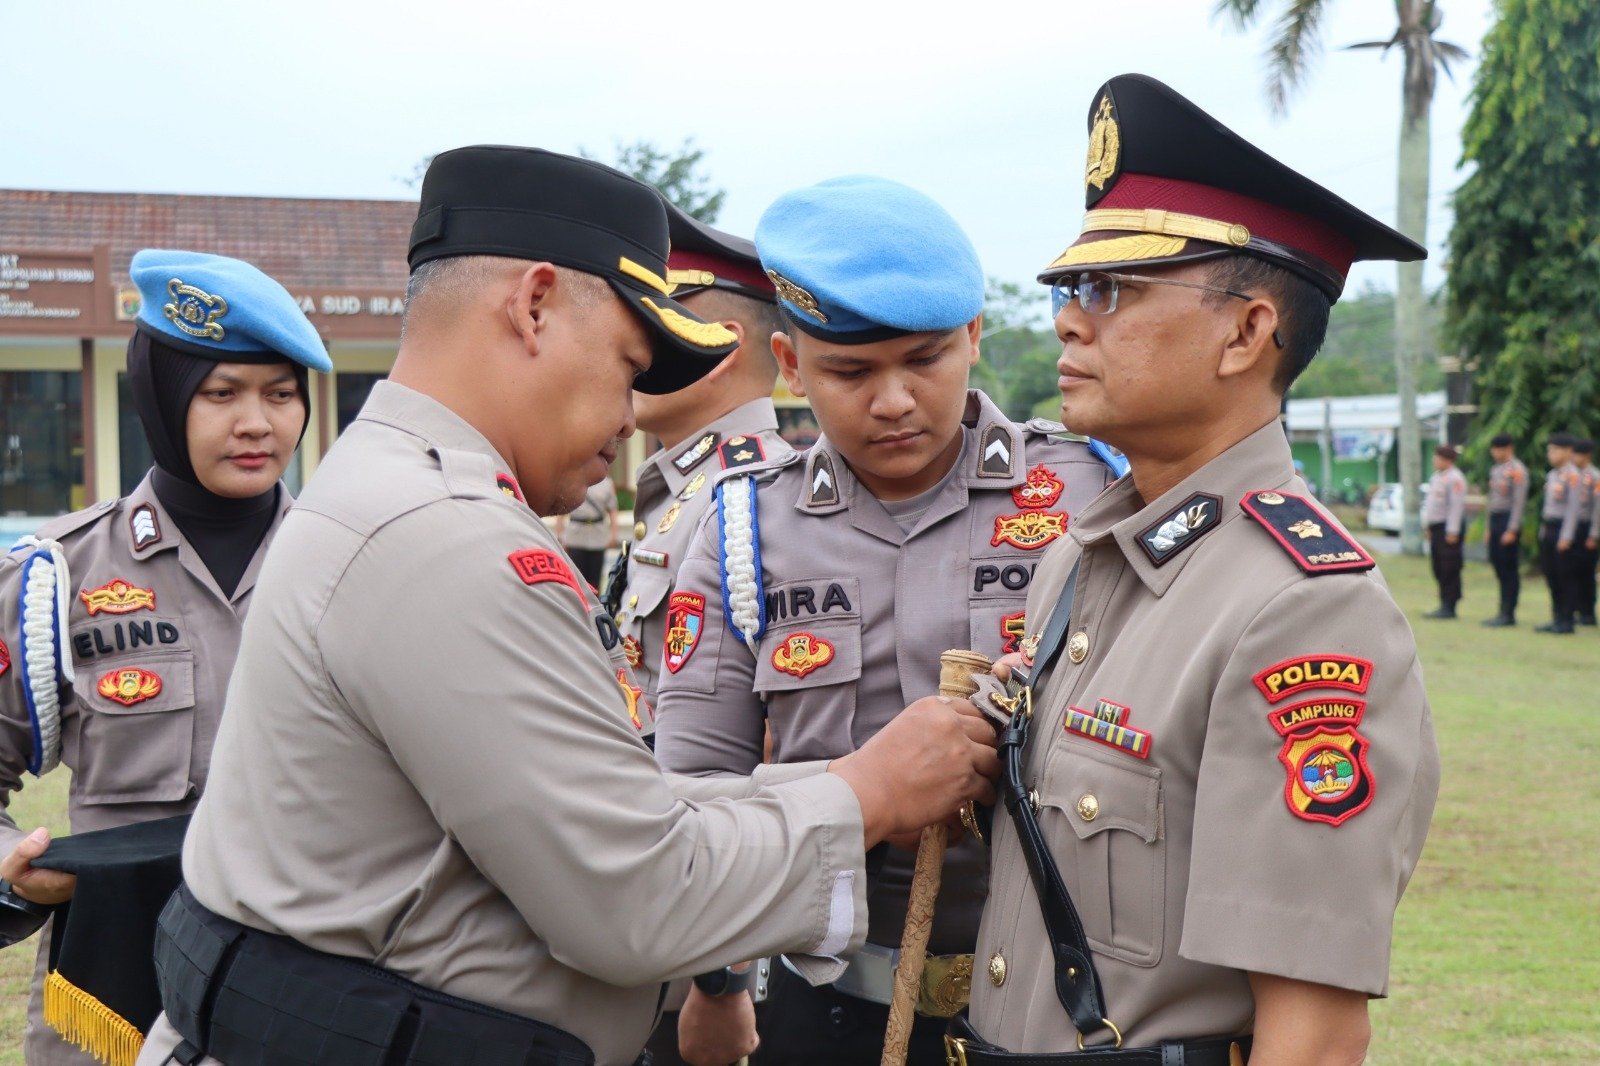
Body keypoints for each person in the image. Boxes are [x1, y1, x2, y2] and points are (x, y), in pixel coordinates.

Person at [134, 146, 1000, 1066]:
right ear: (534, 304)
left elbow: (610, 807)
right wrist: (865, 794)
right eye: (629, 366)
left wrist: (840, 780)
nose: (631, 417)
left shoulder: (382, 482)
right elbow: (639, 898)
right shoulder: (451, 537)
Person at [952, 74, 1439, 1066]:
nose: (1066, 323)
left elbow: (1313, 1031)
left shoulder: (1301, 610)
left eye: (1110, 291)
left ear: (1246, 332)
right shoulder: (1077, 563)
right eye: (1069, 291)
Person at [653, 176, 1123, 1066]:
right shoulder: (746, 527)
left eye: (926, 359)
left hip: (1054, 1009)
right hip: (830, 1008)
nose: (896, 400)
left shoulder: (1091, 493)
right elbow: (692, 791)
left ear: (975, 338)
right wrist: (715, 982)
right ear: (790, 364)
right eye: (852, 371)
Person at [0, 249, 329, 1065]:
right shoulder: (60, 573)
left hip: (311, 995)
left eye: (281, 394)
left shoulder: (350, 564)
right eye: (222, 393)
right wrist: (13, 868)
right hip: (116, 1003)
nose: (257, 422)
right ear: (163, 396)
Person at [611, 203, 794, 720]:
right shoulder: (693, 479)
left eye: (656, 329)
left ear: (721, 346)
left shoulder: (752, 488)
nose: (634, 352)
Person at [1482, 432, 1529, 627]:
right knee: (1499, 566)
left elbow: (1518, 502)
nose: (1495, 453)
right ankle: (1502, 610)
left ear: (1509, 448)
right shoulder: (1496, 470)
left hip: (1508, 520)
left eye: (1498, 449)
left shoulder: (1517, 470)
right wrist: (1488, 528)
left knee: (1509, 569)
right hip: (1496, 520)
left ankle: (1509, 612)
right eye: (1493, 449)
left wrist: (1512, 529)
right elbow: (1491, 501)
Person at [1536, 431, 1580, 634]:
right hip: (1550, 527)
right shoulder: (1553, 475)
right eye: (1549, 450)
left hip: (1564, 529)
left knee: (1566, 576)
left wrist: (1567, 536)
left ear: (1568, 451)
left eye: (1555, 450)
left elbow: (1573, 509)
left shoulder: (1574, 476)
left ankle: (1567, 620)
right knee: (1552, 574)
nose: (1550, 454)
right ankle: (1556, 617)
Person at [1422, 444, 1467, 619]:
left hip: (1448, 528)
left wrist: (1453, 531)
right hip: (1437, 528)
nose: (1434, 460)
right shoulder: (1437, 478)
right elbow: (1431, 506)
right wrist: (1428, 527)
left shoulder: (1456, 479)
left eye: (1437, 457)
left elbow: (1456, 507)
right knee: (1438, 566)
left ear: (1447, 460)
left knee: (1450, 567)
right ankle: (1443, 602)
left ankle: (1450, 605)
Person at [552, 475, 619, 589]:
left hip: (597, 535)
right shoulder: (572, 480)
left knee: (595, 580)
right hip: (576, 536)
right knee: (576, 578)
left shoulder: (606, 483)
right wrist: (560, 534)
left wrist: (614, 534)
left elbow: (612, 510)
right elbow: (562, 509)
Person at [1567, 438, 1596, 625]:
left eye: (1576, 454)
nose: (1573, 458)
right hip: (1572, 527)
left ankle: (1588, 612)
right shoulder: (1572, 476)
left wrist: (1594, 534)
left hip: (1587, 526)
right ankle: (1575, 608)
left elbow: (1598, 508)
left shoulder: (1595, 477)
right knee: (1572, 570)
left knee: (1586, 571)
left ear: (1586, 455)